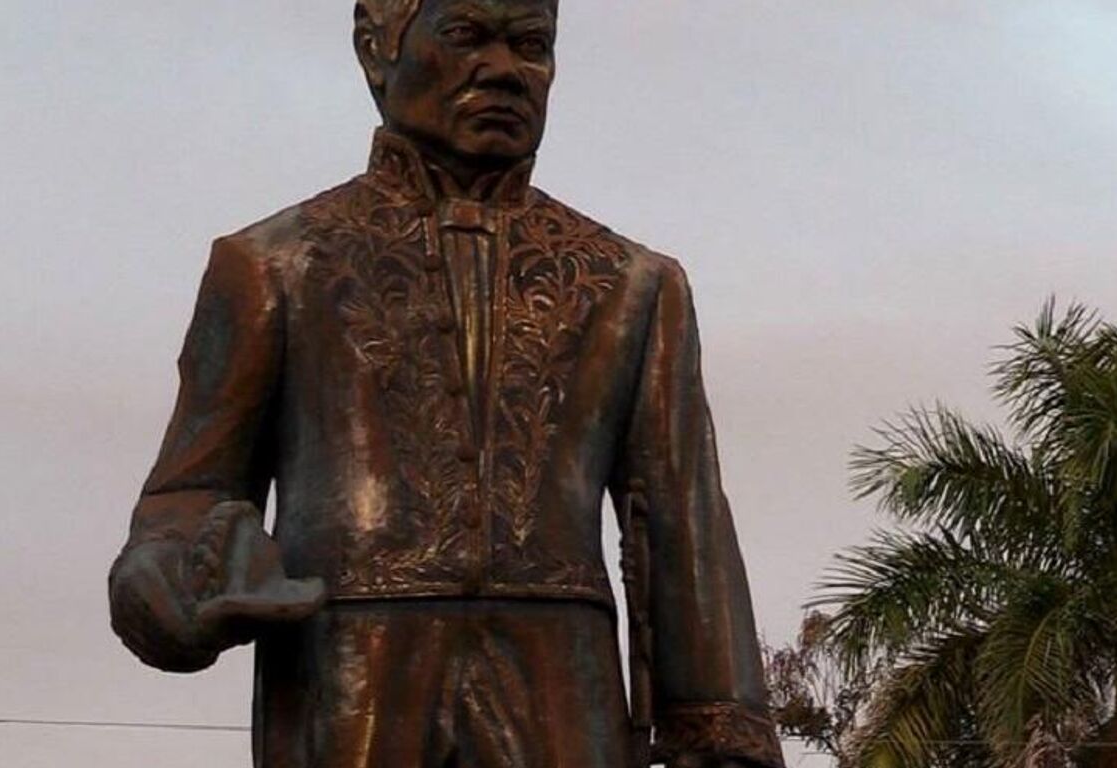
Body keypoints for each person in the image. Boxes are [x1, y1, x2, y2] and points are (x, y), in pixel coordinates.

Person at [105, 2, 784, 766]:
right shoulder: (273, 266)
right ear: (375, 51)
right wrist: (170, 583)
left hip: (562, 687)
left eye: (531, 45)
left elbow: (681, 515)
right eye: (466, 36)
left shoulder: (631, 284)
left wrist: (720, 727)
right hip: (351, 675)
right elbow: (187, 493)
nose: (503, 70)